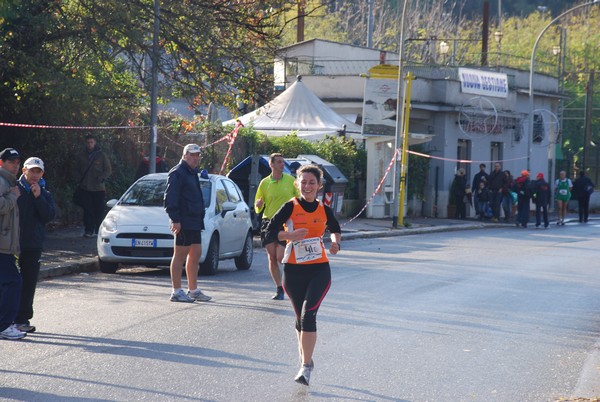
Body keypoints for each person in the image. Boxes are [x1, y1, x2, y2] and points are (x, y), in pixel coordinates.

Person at [264, 164, 341, 386]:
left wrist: (335, 243)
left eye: (312, 182)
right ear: (297, 184)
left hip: (319, 269)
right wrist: (290, 235)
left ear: (319, 186)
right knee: (300, 318)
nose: (307, 186)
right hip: (293, 270)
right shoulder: (290, 207)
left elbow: (335, 228)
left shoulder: (324, 209)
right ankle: (306, 361)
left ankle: (305, 367)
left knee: (309, 315)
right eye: (304, 182)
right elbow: (268, 231)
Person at [164, 144, 211, 303]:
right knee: (179, 256)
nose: (195, 158)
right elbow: (170, 198)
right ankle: (176, 291)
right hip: (184, 221)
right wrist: (175, 219)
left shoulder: (192, 173)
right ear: (184, 156)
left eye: (197, 155)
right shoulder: (178, 173)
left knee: (196, 253)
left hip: (195, 221)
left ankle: (193, 290)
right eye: (192, 155)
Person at [14, 157, 56, 333]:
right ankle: (7, 318)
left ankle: (22, 319)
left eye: (38, 172)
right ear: (24, 171)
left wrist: (38, 197)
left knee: (29, 283)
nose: (34, 175)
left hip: (33, 245)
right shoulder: (14, 189)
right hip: (12, 245)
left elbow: (49, 216)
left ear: (42, 174)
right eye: (31, 171)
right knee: (11, 283)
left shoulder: (45, 193)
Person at [254, 153, 299, 300]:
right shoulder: (265, 183)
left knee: (281, 257)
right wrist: (258, 205)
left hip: (285, 223)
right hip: (268, 222)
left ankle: (290, 283)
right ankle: (279, 288)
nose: (281, 164)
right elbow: (257, 205)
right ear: (271, 164)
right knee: (272, 257)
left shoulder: (291, 181)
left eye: (283, 162)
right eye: (278, 162)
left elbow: (300, 199)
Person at [0, 148, 26, 340]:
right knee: (13, 282)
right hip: (1, 246)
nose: (15, 166)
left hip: (6, 244)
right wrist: (13, 196)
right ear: (1, 163)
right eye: (11, 162)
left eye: (17, 162)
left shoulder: (9, 182)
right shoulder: (2, 182)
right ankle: (4, 326)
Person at [75, 134, 112, 237]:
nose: (90, 145)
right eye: (88, 143)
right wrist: (79, 179)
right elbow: (76, 169)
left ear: (95, 143)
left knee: (99, 210)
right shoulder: (81, 155)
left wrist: (101, 178)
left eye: (91, 142)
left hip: (98, 188)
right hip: (85, 187)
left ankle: (98, 230)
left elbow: (108, 169)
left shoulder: (101, 155)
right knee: (87, 210)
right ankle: (88, 230)